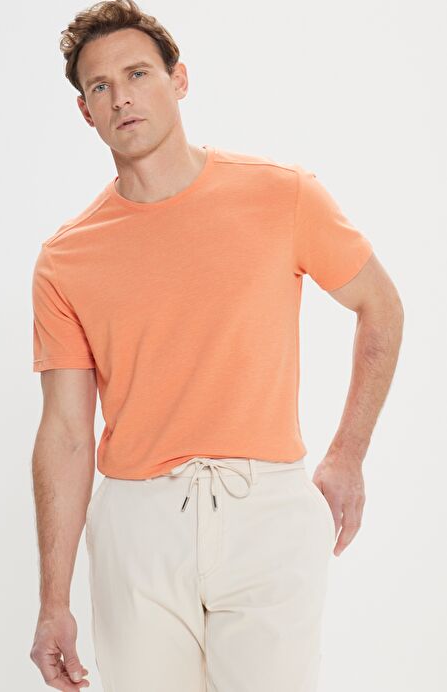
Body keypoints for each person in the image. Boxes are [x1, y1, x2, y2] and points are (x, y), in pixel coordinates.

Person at [28, 1, 404, 690]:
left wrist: (347, 455)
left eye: (138, 74)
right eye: (100, 86)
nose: (121, 97)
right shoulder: (66, 257)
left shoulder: (281, 195)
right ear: (85, 112)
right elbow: (66, 432)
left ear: (179, 80)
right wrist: (54, 602)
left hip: (266, 509)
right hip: (139, 524)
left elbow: (379, 308)